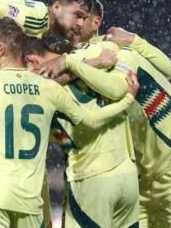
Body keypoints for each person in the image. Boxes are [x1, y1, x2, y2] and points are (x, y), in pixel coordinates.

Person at [0, 17, 137, 227]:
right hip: (30, 204)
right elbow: (89, 120)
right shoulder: (48, 88)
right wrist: (127, 100)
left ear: (0, 49)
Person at [40, 24, 171, 227]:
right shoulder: (89, 79)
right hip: (141, 182)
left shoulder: (122, 57)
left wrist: (74, 63)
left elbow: (121, 89)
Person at [23, 36, 140, 228]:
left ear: (32, 60)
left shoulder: (46, 89)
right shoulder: (99, 53)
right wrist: (95, 62)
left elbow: (89, 120)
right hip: (127, 176)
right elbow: (109, 48)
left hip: (91, 180)